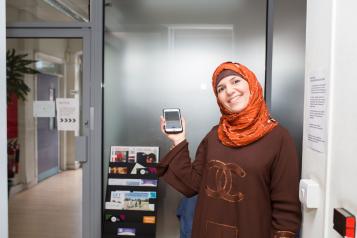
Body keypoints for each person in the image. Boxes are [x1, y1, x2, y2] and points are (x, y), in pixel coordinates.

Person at [157, 61, 301, 238]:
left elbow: (286, 208)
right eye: (221, 89)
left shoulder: (278, 138)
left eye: (235, 81)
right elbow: (192, 185)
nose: (230, 91)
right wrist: (178, 139)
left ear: (252, 84)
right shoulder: (214, 135)